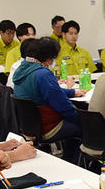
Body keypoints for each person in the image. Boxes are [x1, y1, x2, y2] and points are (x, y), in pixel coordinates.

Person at [12, 36, 86, 165]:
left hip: (29, 127)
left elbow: (48, 92)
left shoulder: (22, 70)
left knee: (76, 125)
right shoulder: (42, 74)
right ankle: (75, 164)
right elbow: (63, 107)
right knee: (85, 127)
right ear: (47, 57)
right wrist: (82, 119)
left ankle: (69, 160)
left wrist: (71, 92)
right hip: (48, 127)